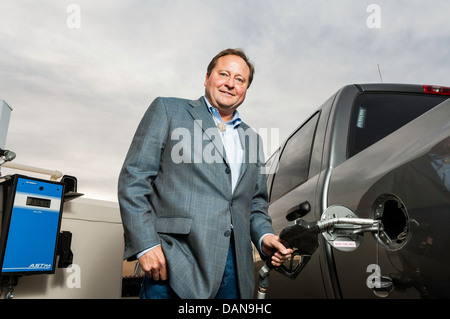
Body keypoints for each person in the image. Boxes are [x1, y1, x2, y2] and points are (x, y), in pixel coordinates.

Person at [118, 48, 292, 299]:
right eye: (224, 74)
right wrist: (145, 243)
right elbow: (133, 179)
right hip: (175, 261)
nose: (230, 84)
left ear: (245, 89)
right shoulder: (167, 110)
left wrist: (265, 236)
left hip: (236, 268)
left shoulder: (253, 139)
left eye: (240, 80)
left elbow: (255, 203)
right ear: (207, 77)